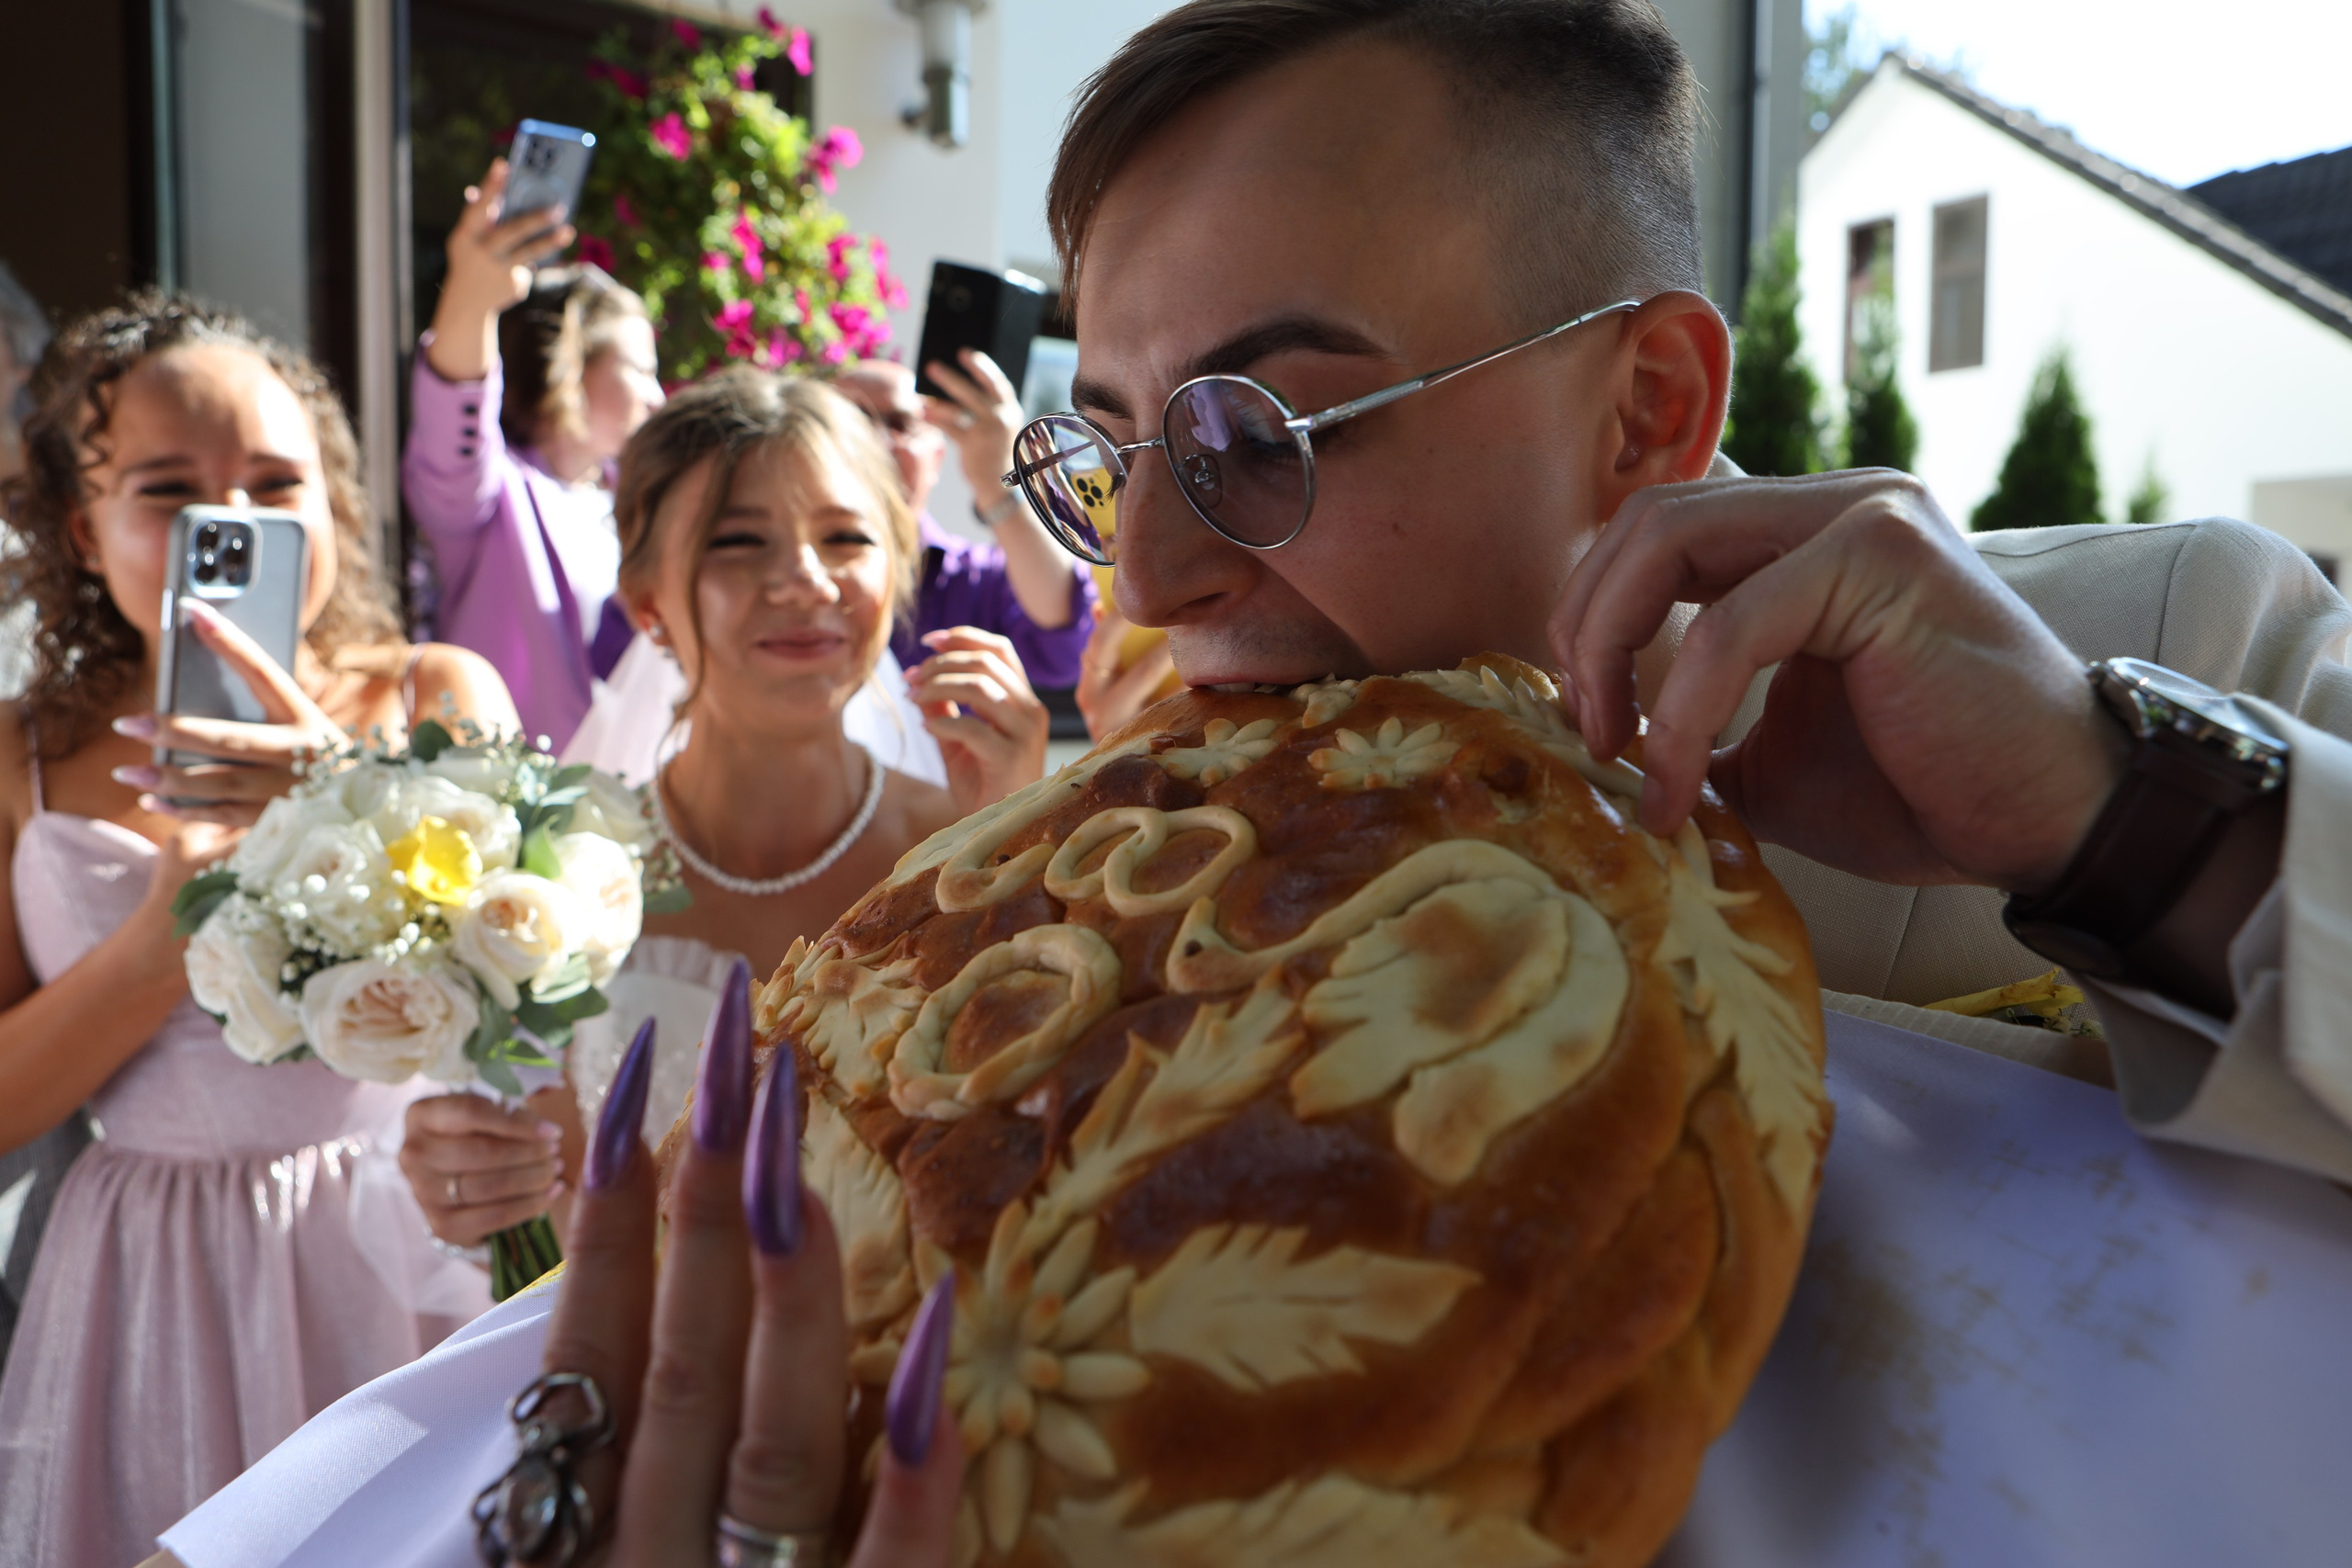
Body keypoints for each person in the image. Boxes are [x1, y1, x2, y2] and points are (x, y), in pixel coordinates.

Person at [153, 1, 2352, 1562]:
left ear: (1644, 402)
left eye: (1262, 433)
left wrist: (2122, 814)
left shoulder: (2179, 656)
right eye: (1105, 443)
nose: (1151, 570)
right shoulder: (1105, 891)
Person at [0, 291, 519, 1568]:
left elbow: (533, 999)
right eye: (170, 489)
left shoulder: (434, 694)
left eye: (275, 481)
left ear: (334, 512)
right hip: (138, 1275)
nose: (228, 522)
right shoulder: (21, 753)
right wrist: (159, 938)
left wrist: (347, 798)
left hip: (389, 1243)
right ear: (84, 526)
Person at [390, 370, 1047, 1292]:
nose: (806, 581)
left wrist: (1008, 853)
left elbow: (1039, 1139)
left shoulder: (965, 844)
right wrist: (463, 1183)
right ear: (648, 602)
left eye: (847, 538)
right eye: (740, 543)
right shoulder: (552, 875)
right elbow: (539, 1193)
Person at [405, 157, 664, 751]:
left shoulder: (635, 505)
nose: (657, 395)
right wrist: (473, 298)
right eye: (640, 371)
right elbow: (453, 418)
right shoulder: (489, 495)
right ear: (570, 365)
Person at [833, 354, 1099, 692]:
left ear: (937, 457)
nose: (878, 443)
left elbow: (1066, 649)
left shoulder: (978, 579)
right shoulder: (778, 571)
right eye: (855, 422)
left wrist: (995, 480)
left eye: (900, 423)